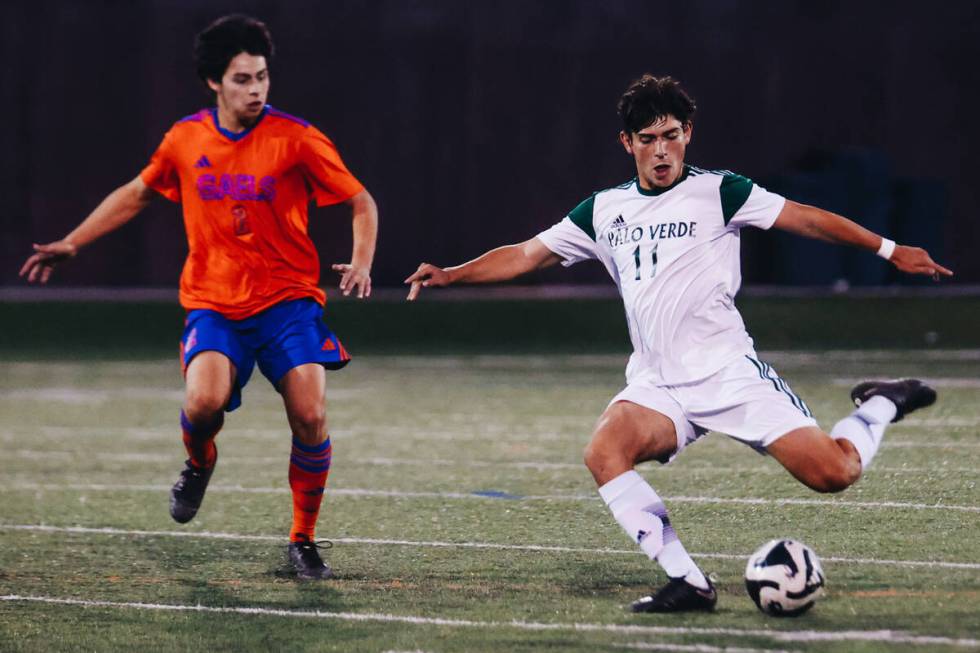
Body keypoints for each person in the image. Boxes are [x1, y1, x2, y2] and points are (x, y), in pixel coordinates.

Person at [405, 74, 952, 612]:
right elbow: (527, 254)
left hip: (728, 373)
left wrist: (889, 249)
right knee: (604, 452)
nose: (661, 150)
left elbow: (805, 220)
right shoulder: (603, 210)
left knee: (835, 474)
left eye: (671, 135)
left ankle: (882, 402)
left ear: (688, 132)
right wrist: (454, 274)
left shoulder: (720, 191)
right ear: (628, 144)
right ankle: (688, 581)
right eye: (647, 139)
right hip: (658, 382)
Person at [19, 14, 378, 580]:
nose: (256, 89)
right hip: (214, 303)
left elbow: (361, 201)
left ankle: (302, 539)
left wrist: (360, 262)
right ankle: (197, 462)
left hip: (287, 302)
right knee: (202, 405)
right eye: (242, 78)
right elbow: (137, 193)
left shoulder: (297, 138)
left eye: (262, 76)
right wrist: (73, 241)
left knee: (310, 414)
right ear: (214, 82)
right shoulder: (186, 139)